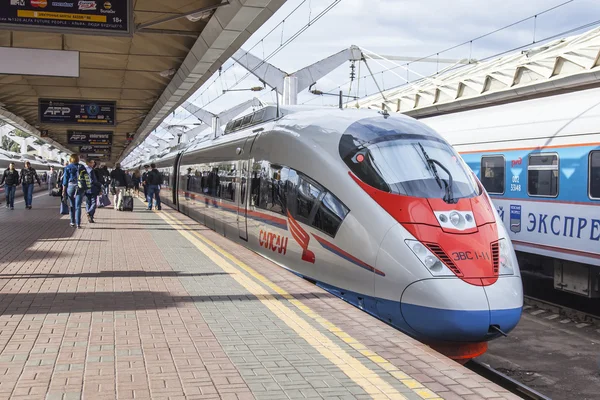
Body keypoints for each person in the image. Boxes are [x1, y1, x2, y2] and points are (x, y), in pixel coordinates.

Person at [62, 154, 85, 228]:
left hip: (70, 187)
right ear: (78, 159)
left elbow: (65, 180)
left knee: (72, 205)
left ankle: (72, 222)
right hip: (79, 187)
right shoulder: (81, 167)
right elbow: (86, 177)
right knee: (78, 206)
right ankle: (78, 223)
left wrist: (63, 191)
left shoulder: (67, 167)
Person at [84, 159, 102, 223]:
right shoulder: (91, 170)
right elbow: (94, 181)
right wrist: (100, 185)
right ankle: (90, 213)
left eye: (93, 162)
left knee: (88, 202)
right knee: (94, 202)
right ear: (88, 163)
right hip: (92, 188)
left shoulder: (83, 170)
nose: (93, 164)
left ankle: (90, 216)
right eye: (92, 162)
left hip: (86, 188)